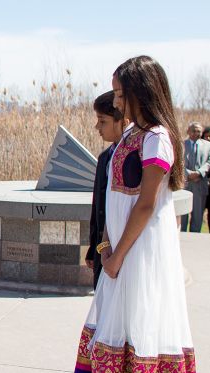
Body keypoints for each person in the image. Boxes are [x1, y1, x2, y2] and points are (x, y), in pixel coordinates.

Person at [73, 56, 195, 373]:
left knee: (141, 326)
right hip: (119, 253)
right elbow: (113, 197)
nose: (115, 100)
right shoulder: (129, 135)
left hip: (140, 253)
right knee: (116, 328)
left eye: (119, 93)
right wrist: (104, 246)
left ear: (140, 92)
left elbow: (146, 204)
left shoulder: (157, 138)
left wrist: (118, 255)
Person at [85, 91, 124, 290]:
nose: (97, 127)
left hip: (120, 255)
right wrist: (94, 247)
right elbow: (98, 208)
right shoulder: (104, 158)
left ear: (121, 121)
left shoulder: (131, 159)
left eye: (103, 121)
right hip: (103, 252)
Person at [181, 122, 210, 232]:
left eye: (199, 131)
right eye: (194, 130)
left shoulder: (208, 145)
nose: (196, 133)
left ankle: (195, 238)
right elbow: (177, 162)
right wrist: (188, 174)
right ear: (188, 131)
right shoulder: (181, 144)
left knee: (198, 215)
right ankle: (182, 236)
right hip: (185, 183)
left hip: (200, 183)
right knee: (182, 214)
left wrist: (199, 172)